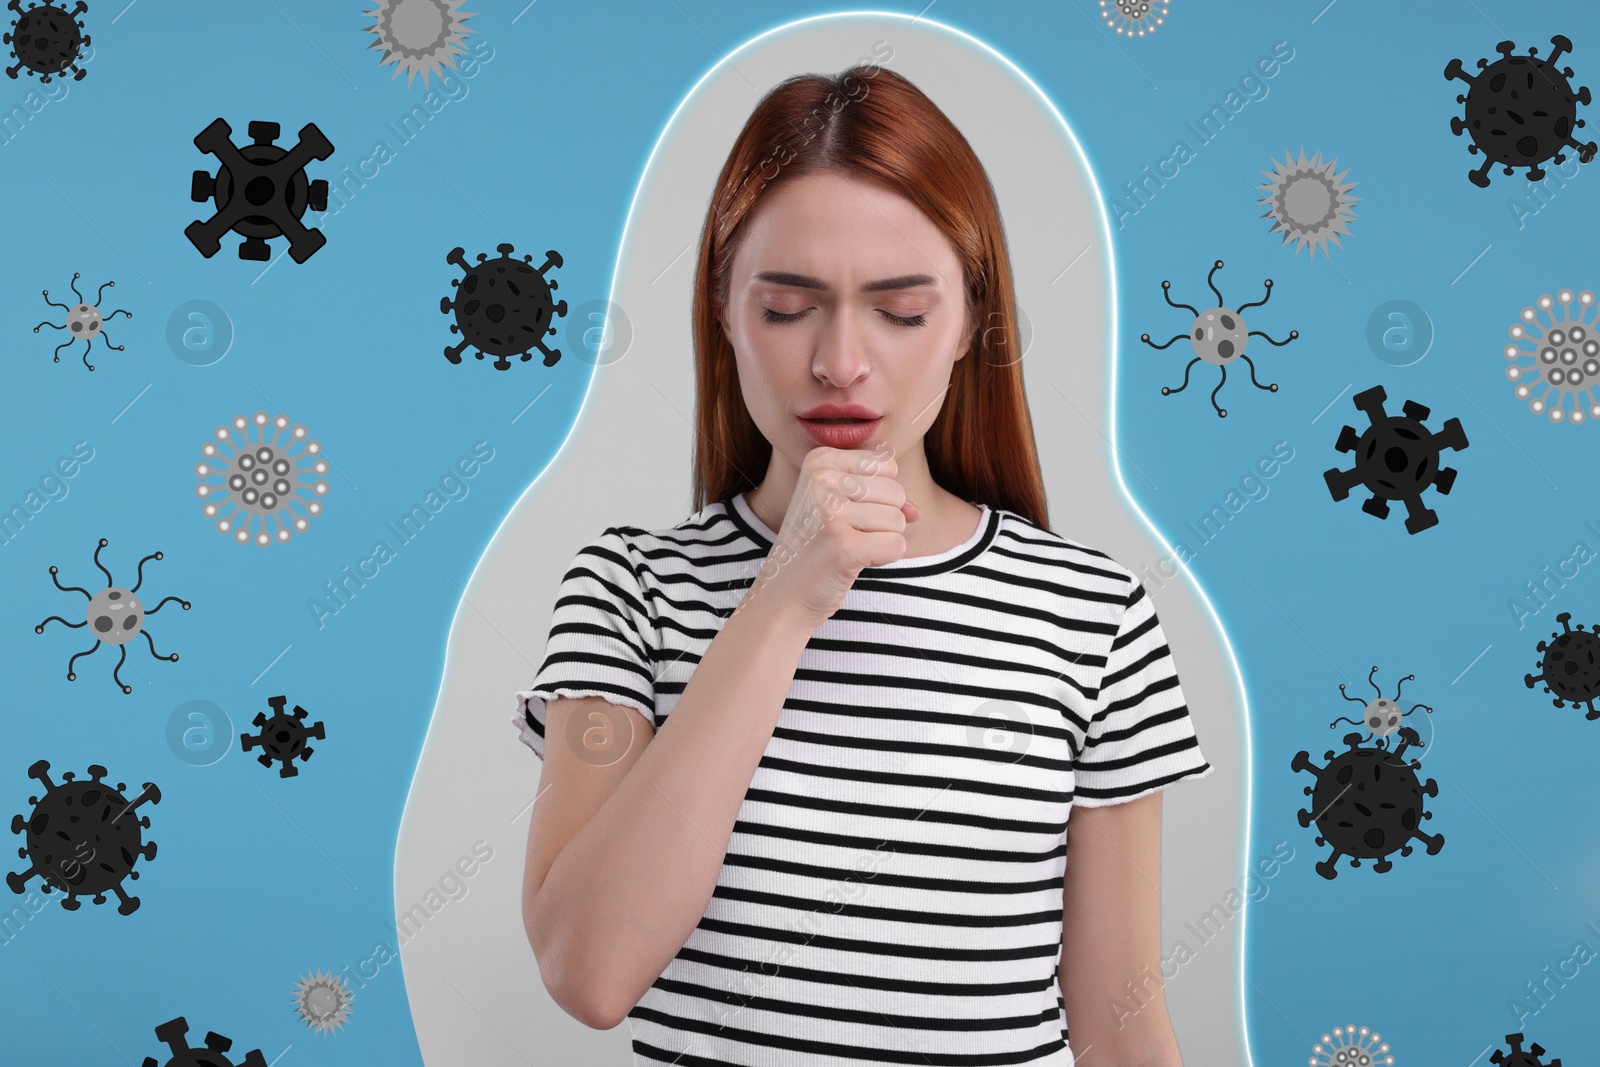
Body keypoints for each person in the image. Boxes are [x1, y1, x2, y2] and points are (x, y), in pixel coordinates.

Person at [516, 63, 1213, 1066]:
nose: (841, 360)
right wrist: (778, 606)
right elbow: (588, 968)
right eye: (789, 306)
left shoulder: (1092, 615)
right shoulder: (629, 592)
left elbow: (1117, 1017)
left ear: (972, 320)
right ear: (721, 308)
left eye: (900, 309)